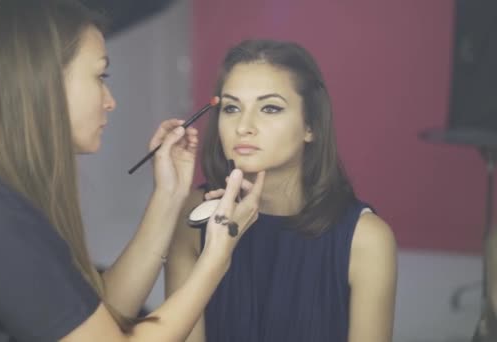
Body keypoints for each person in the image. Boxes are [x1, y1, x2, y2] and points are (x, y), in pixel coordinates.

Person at [0, 1, 266, 341]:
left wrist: (168, 196)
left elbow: (99, 318)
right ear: (45, 80)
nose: (110, 101)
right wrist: (217, 255)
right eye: (100, 76)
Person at [165, 39, 397, 342]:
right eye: (232, 107)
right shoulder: (195, 215)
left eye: (270, 108)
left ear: (310, 126)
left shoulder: (367, 239)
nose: (243, 126)